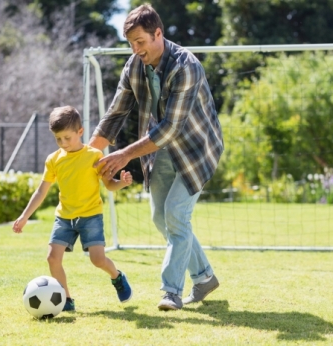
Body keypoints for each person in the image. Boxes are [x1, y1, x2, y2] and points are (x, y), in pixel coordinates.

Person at [89, 4, 224, 311]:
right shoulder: (134, 65)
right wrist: (87, 157)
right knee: (160, 218)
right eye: (131, 44)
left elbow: (169, 129)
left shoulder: (186, 66)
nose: (136, 50)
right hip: (161, 149)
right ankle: (204, 278)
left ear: (158, 34)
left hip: (197, 149)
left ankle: (171, 292)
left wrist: (124, 154)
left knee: (176, 215)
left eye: (140, 42)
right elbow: (115, 115)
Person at [12, 105, 133, 312]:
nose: (63, 143)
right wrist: (24, 217)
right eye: (58, 139)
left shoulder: (95, 156)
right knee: (52, 258)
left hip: (91, 216)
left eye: (67, 138)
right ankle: (66, 299)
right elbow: (41, 191)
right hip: (64, 217)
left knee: (98, 260)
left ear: (80, 132)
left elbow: (110, 184)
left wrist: (122, 182)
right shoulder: (54, 160)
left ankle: (117, 277)